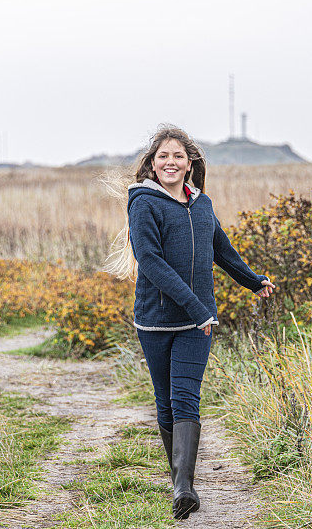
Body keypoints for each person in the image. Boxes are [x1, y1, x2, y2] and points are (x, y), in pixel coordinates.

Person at [102, 124, 276, 519]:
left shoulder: (201, 203)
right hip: (156, 320)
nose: (170, 161)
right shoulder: (144, 203)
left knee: (185, 398)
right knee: (165, 402)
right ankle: (178, 478)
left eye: (178, 155)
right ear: (152, 163)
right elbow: (150, 262)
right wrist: (197, 307)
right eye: (162, 155)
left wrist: (253, 281)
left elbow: (221, 249)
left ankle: (184, 487)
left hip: (198, 324)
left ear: (190, 163)